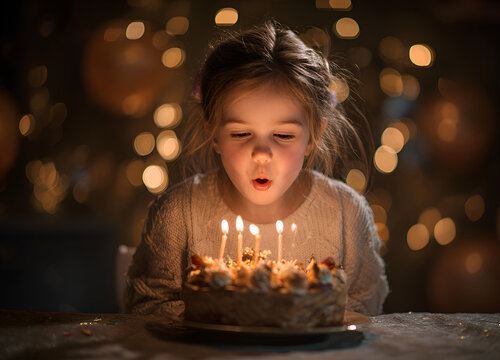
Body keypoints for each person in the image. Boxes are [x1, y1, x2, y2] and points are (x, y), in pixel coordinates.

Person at [125, 22, 389, 319]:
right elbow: (149, 310)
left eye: (284, 136)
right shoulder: (178, 214)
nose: (262, 154)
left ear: (313, 135)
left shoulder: (346, 214)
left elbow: (364, 312)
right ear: (213, 132)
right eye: (240, 134)